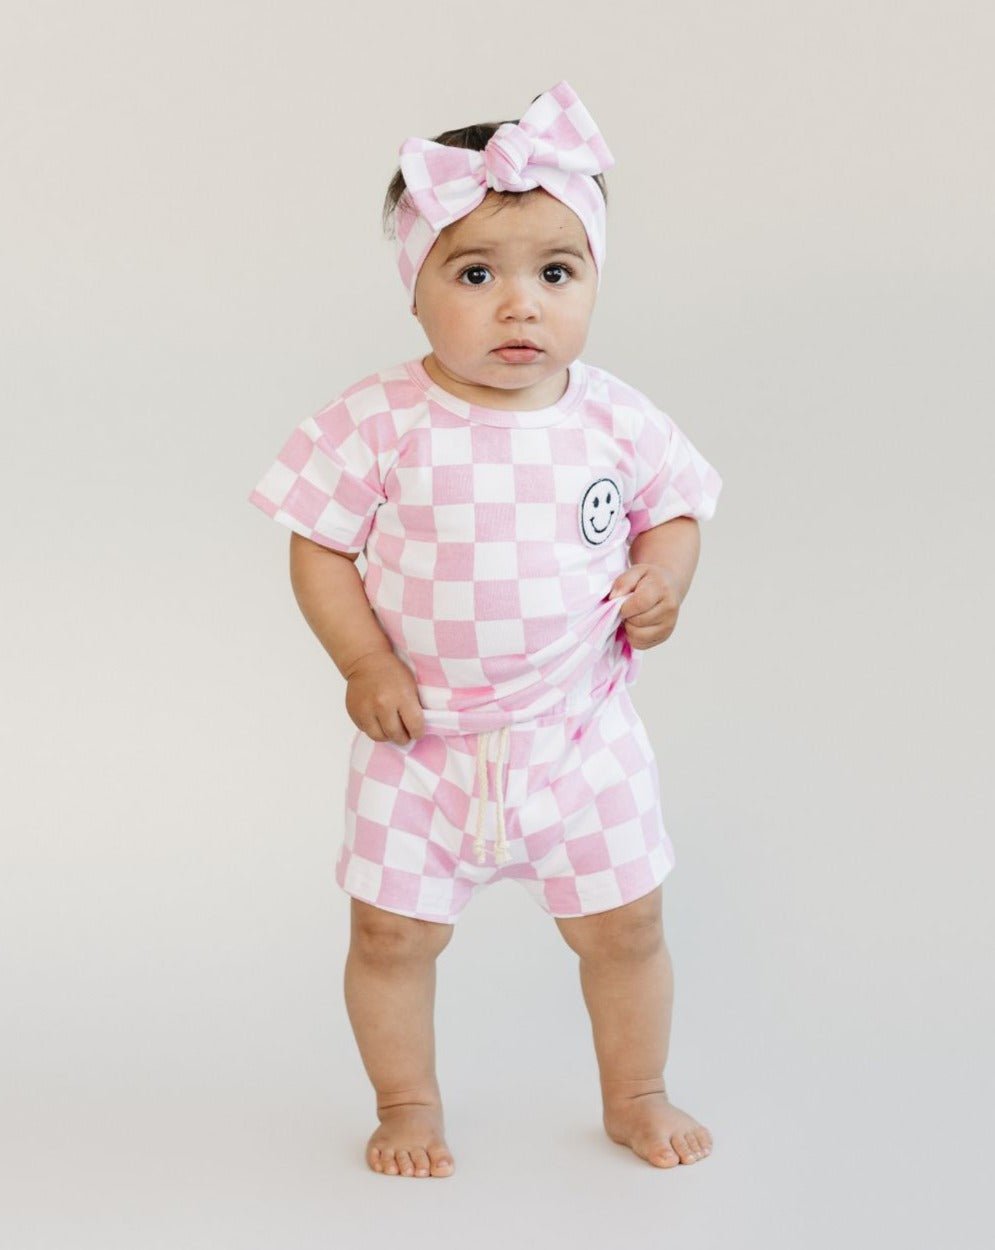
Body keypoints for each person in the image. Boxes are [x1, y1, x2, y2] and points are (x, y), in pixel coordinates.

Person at [248, 81, 723, 1179]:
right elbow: (317, 543)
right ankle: (407, 1102)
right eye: (475, 275)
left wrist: (663, 578)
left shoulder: (613, 415)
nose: (520, 307)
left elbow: (674, 512)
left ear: (592, 279)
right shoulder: (378, 420)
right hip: (420, 744)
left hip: (580, 736)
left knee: (625, 928)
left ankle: (636, 1090)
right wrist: (363, 659)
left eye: (555, 273)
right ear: (414, 290)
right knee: (390, 937)